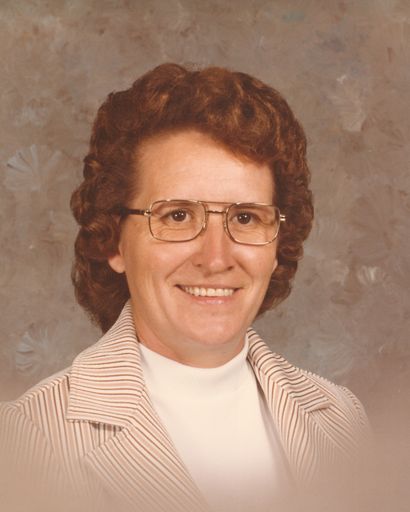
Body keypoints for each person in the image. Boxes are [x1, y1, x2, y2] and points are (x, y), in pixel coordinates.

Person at [0, 63, 369, 512]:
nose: (215, 258)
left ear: (278, 246)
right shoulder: (32, 438)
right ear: (113, 241)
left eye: (246, 217)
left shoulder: (339, 419)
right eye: (177, 216)